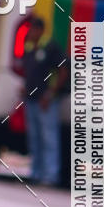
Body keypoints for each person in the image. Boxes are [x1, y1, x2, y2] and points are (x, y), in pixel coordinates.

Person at [21, 15, 68, 186]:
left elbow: (63, 71)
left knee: (49, 138)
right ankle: (36, 172)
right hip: (31, 99)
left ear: (40, 30)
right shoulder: (30, 47)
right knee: (35, 138)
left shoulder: (51, 47)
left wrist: (50, 94)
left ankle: (50, 175)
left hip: (45, 101)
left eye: (33, 30)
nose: (31, 33)